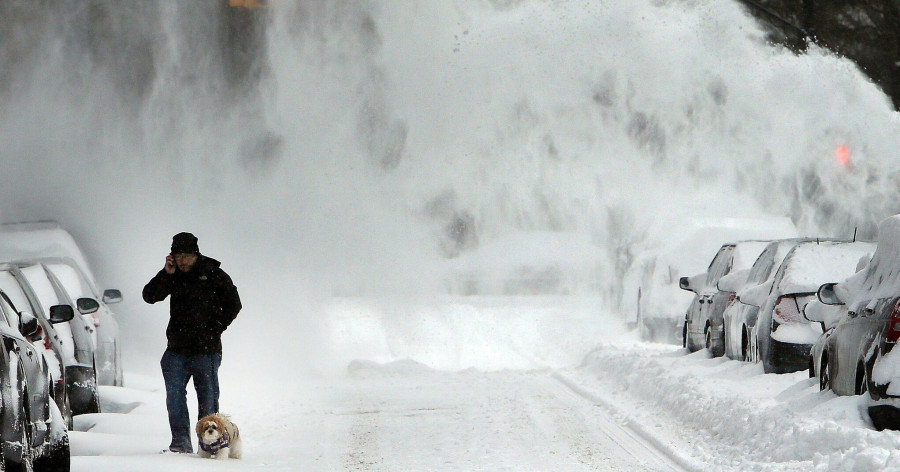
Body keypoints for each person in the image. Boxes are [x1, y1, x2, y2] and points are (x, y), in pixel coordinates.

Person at [142, 232, 242, 454]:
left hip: (206, 351)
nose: (183, 261)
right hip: (176, 350)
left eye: (187, 256)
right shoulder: (173, 274)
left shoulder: (213, 273)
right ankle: (180, 445)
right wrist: (165, 274)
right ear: (172, 257)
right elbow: (149, 296)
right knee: (174, 398)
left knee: (208, 399)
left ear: (196, 254)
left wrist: (215, 328)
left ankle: (209, 446)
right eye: (178, 256)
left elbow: (234, 303)